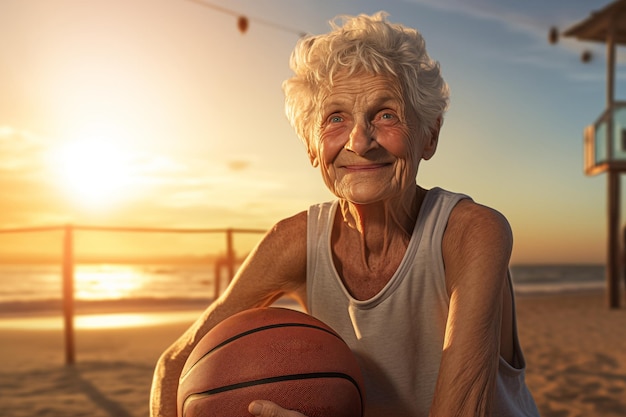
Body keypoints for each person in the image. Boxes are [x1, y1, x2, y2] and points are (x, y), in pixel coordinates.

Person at [150, 12, 539, 417]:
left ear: (430, 135)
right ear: (312, 148)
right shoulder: (294, 240)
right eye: (336, 118)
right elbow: (174, 367)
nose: (360, 140)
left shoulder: (472, 232)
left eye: (386, 114)